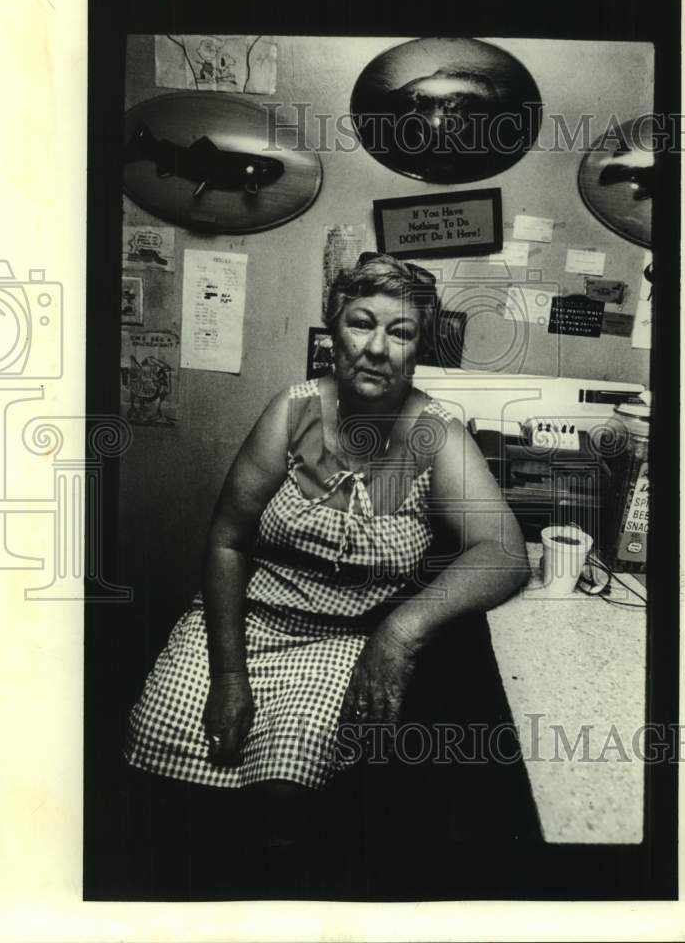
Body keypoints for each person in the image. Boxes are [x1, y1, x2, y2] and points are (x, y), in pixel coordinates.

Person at [123, 252, 537, 899]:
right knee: (161, 751)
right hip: (238, 625)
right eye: (360, 324)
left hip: (342, 643)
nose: (376, 348)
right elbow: (229, 542)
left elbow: (504, 550)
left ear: (419, 348)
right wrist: (230, 674)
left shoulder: (436, 434)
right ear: (332, 331)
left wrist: (402, 627)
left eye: (399, 333)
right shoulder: (292, 411)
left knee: (284, 793)